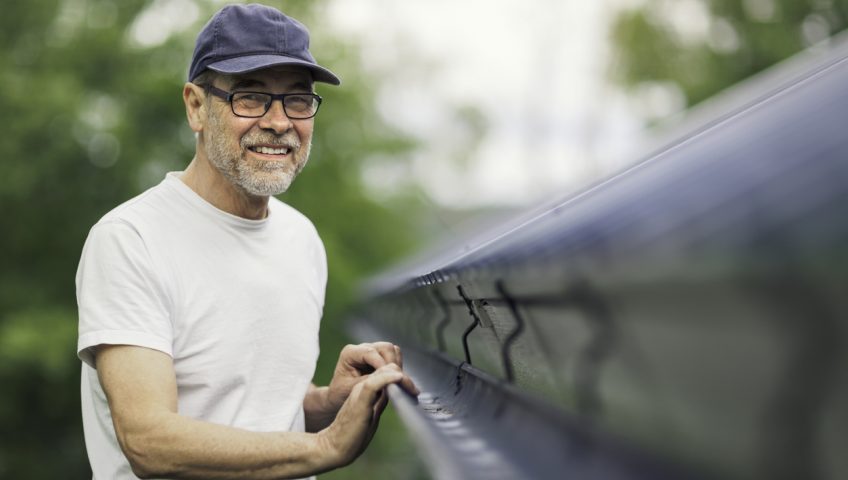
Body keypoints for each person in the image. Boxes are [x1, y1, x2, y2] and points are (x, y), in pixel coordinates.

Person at [75, 4, 418, 479]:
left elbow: (256, 413)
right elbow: (149, 441)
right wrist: (325, 447)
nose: (279, 122)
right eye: (251, 97)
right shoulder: (130, 240)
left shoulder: (301, 238)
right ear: (196, 106)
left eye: (298, 100)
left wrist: (328, 403)